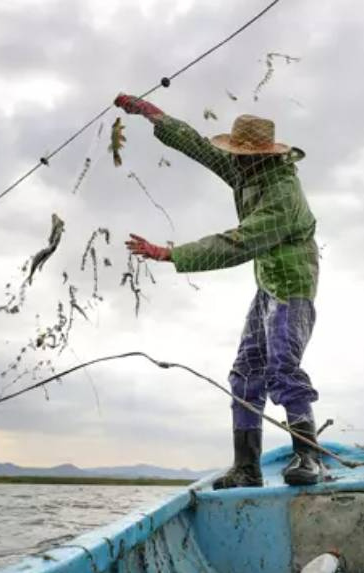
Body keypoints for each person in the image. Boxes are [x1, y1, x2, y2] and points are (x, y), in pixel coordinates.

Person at [113, 93, 325, 489]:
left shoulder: (282, 196)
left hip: (293, 285)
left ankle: (308, 456)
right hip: (267, 285)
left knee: (282, 366)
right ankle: (246, 468)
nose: (236, 162)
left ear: (264, 156)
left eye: (243, 157)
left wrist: (168, 254)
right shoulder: (247, 171)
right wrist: (151, 114)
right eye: (236, 156)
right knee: (246, 371)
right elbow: (196, 145)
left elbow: (238, 244)